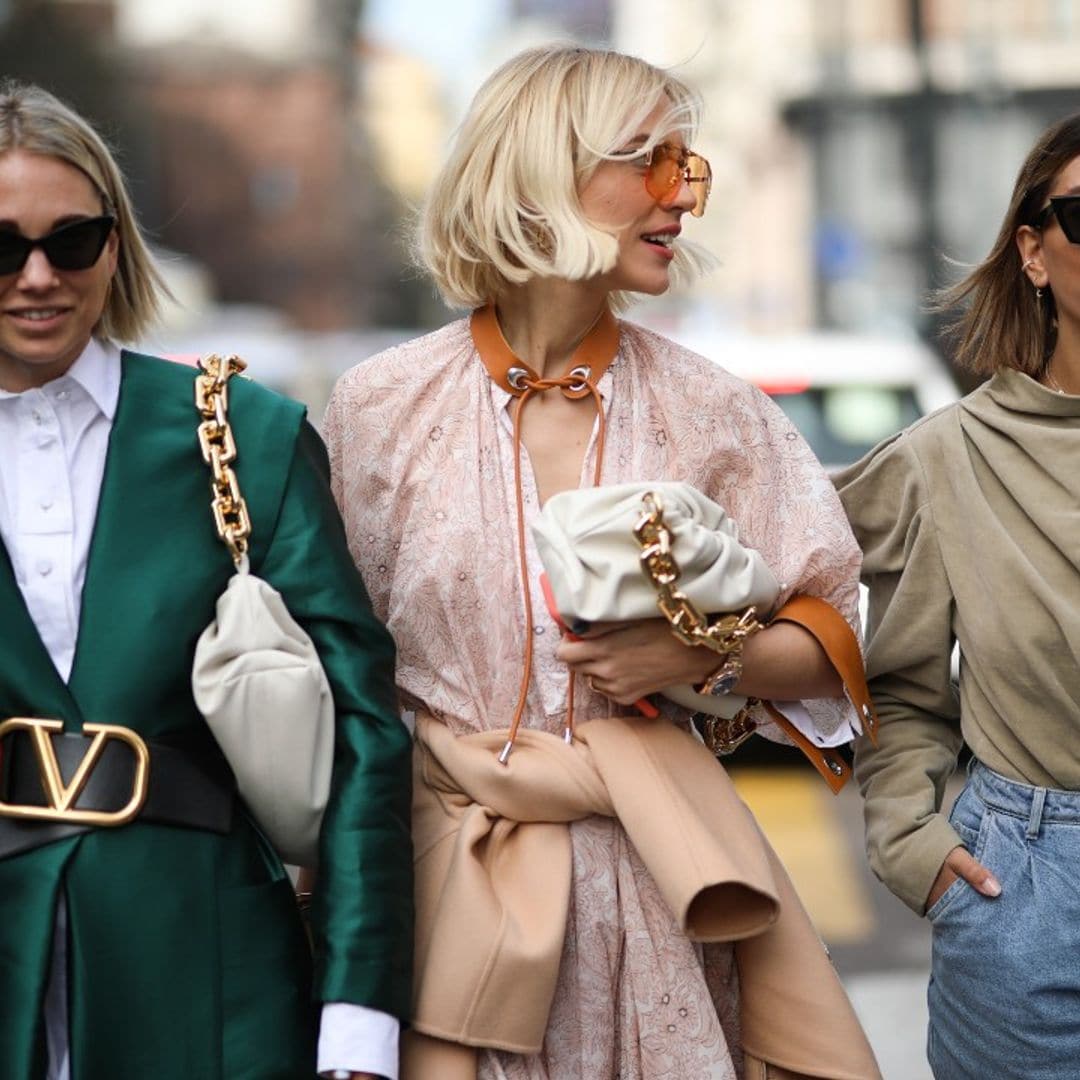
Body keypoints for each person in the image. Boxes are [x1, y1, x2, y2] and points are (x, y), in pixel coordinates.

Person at [325, 45, 879, 1080]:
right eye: (649, 163)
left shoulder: (714, 408)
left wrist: (699, 664)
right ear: (544, 173)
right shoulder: (375, 408)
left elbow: (834, 630)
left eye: (689, 168)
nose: (682, 198)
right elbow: (333, 685)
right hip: (450, 880)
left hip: (666, 892)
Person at [0, 81, 412, 1080]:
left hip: (212, 974)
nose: (39, 276)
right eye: (2, 247)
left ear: (116, 242)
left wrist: (360, 1006)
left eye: (74, 240)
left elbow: (365, 728)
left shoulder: (240, 434)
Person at [835, 112, 1080, 1079]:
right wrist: (914, 846)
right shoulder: (952, 457)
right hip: (1029, 898)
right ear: (1033, 250)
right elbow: (894, 686)